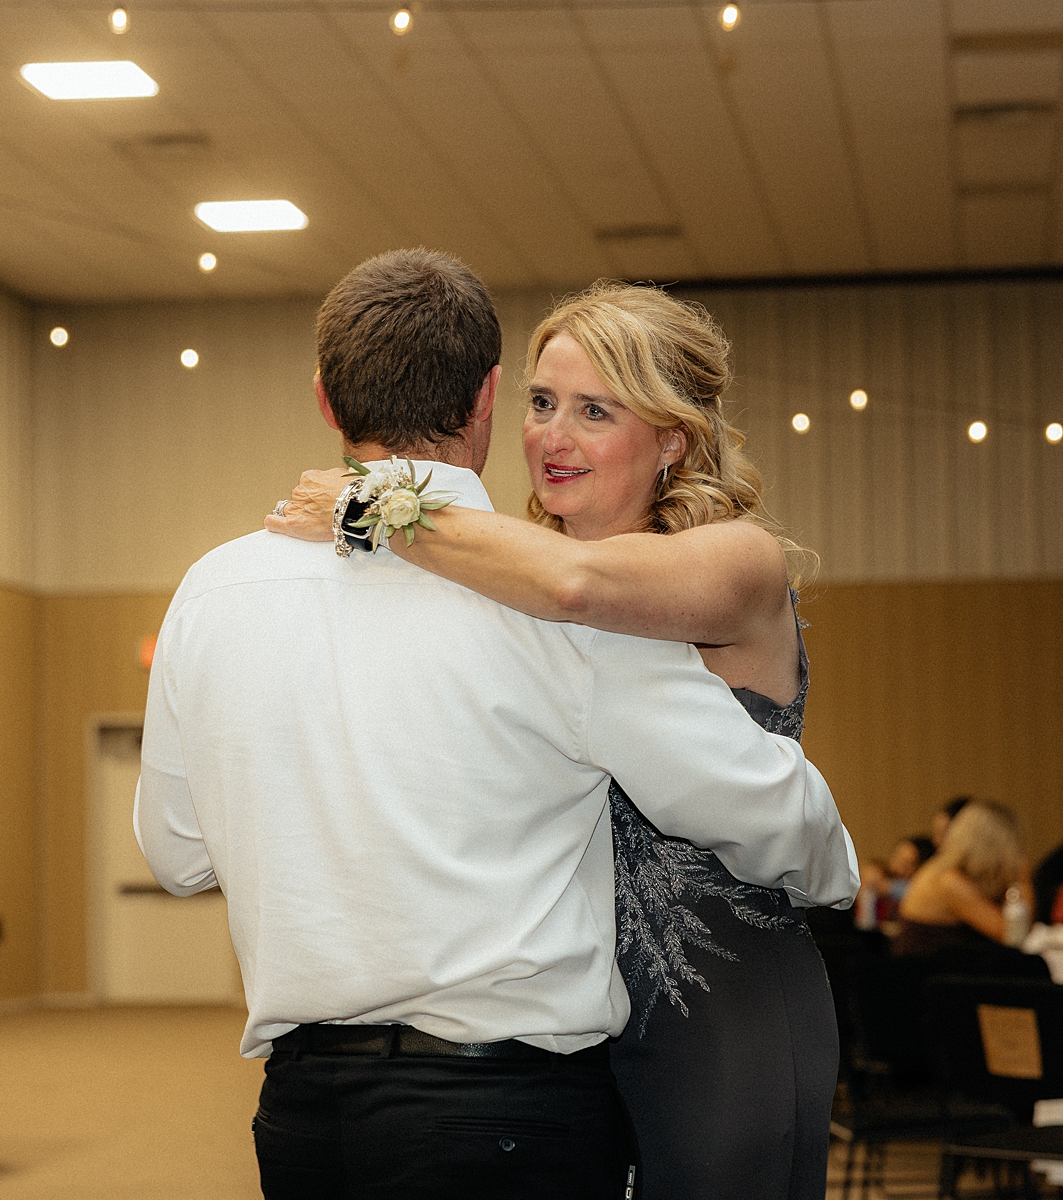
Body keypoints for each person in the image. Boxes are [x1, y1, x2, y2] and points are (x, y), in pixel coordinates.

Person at [136, 252, 859, 1200]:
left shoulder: (213, 590)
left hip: (308, 1112)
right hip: (502, 1106)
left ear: (324, 399)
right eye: (543, 402)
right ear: (486, 397)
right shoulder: (555, 618)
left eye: (596, 409)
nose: (556, 434)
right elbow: (773, 810)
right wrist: (840, 877)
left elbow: (176, 854)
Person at [892, 801, 1031, 956]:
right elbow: (1014, 935)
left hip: (945, 972)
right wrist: (1021, 878)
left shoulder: (942, 870)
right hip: (929, 976)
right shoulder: (948, 880)